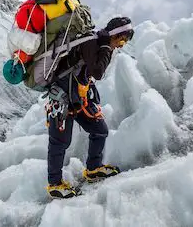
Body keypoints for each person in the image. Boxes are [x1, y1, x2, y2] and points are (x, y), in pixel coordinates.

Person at [45, 16, 134, 198]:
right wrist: (105, 49)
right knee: (59, 142)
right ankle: (55, 184)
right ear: (114, 34)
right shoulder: (94, 43)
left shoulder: (98, 42)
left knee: (100, 130)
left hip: (78, 98)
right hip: (62, 98)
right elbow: (97, 72)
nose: (122, 45)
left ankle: (93, 168)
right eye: (122, 39)